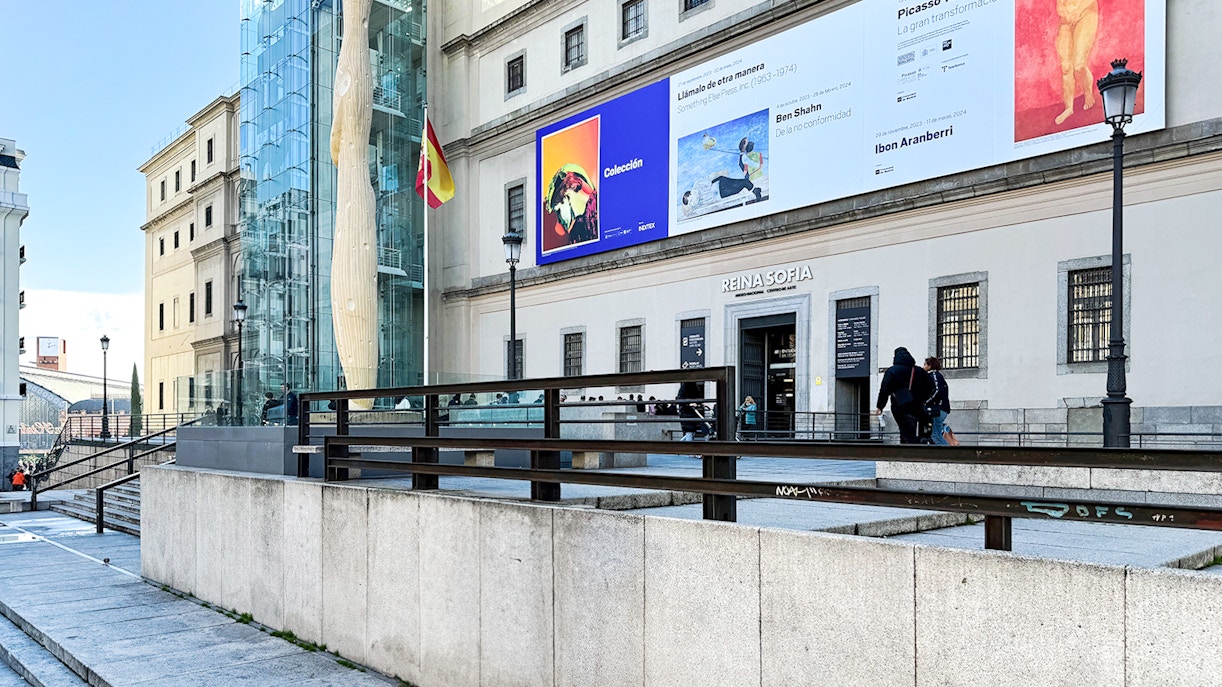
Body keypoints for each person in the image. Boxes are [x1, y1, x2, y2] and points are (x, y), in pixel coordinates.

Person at [874, 347, 935, 444]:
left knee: (905, 430)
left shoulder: (891, 371)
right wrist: (922, 398)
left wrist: (880, 406)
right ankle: (915, 445)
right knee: (914, 428)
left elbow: (884, 390)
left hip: (899, 405)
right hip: (917, 406)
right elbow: (931, 386)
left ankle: (909, 448)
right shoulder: (919, 371)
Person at [1053, 0, 1099, 126]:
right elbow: (1059, 4)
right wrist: (1065, 13)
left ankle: (1088, 93)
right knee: (1066, 67)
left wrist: (1078, 11)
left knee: (1078, 64)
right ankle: (1069, 108)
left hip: (1086, 13)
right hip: (1066, 19)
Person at [924, 357, 951, 446]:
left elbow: (937, 391)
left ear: (930, 366)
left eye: (925, 364)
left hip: (938, 409)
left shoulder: (935, 376)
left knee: (936, 436)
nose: (923, 367)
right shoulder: (938, 376)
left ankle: (950, 454)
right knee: (937, 435)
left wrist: (926, 402)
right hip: (941, 408)